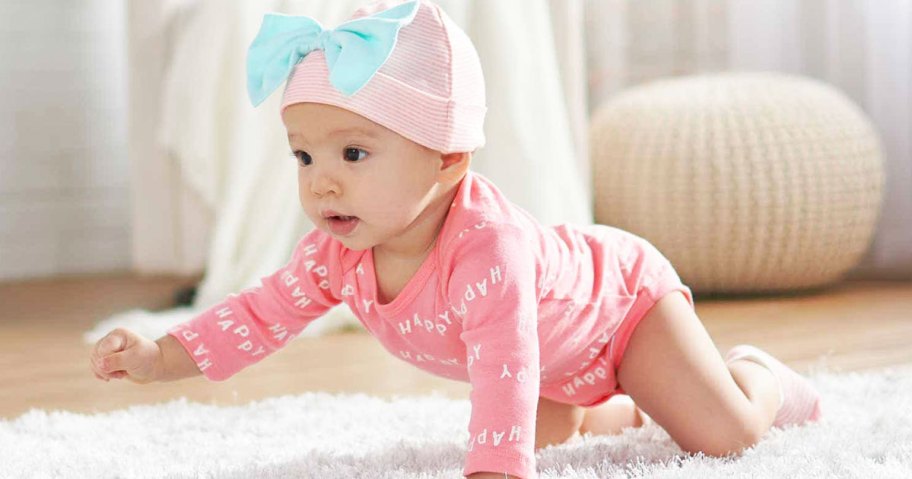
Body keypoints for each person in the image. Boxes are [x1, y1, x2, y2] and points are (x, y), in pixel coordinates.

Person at [88, 1, 822, 478]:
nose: (322, 184)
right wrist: (162, 356)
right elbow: (258, 314)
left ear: (447, 158)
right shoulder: (336, 254)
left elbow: (504, 368)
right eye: (303, 156)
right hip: (556, 358)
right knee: (561, 434)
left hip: (620, 308)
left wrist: (494, 470)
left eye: (353, 154)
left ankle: (757, 373)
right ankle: (624, 405)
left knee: (724, 437)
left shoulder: (487, 249)